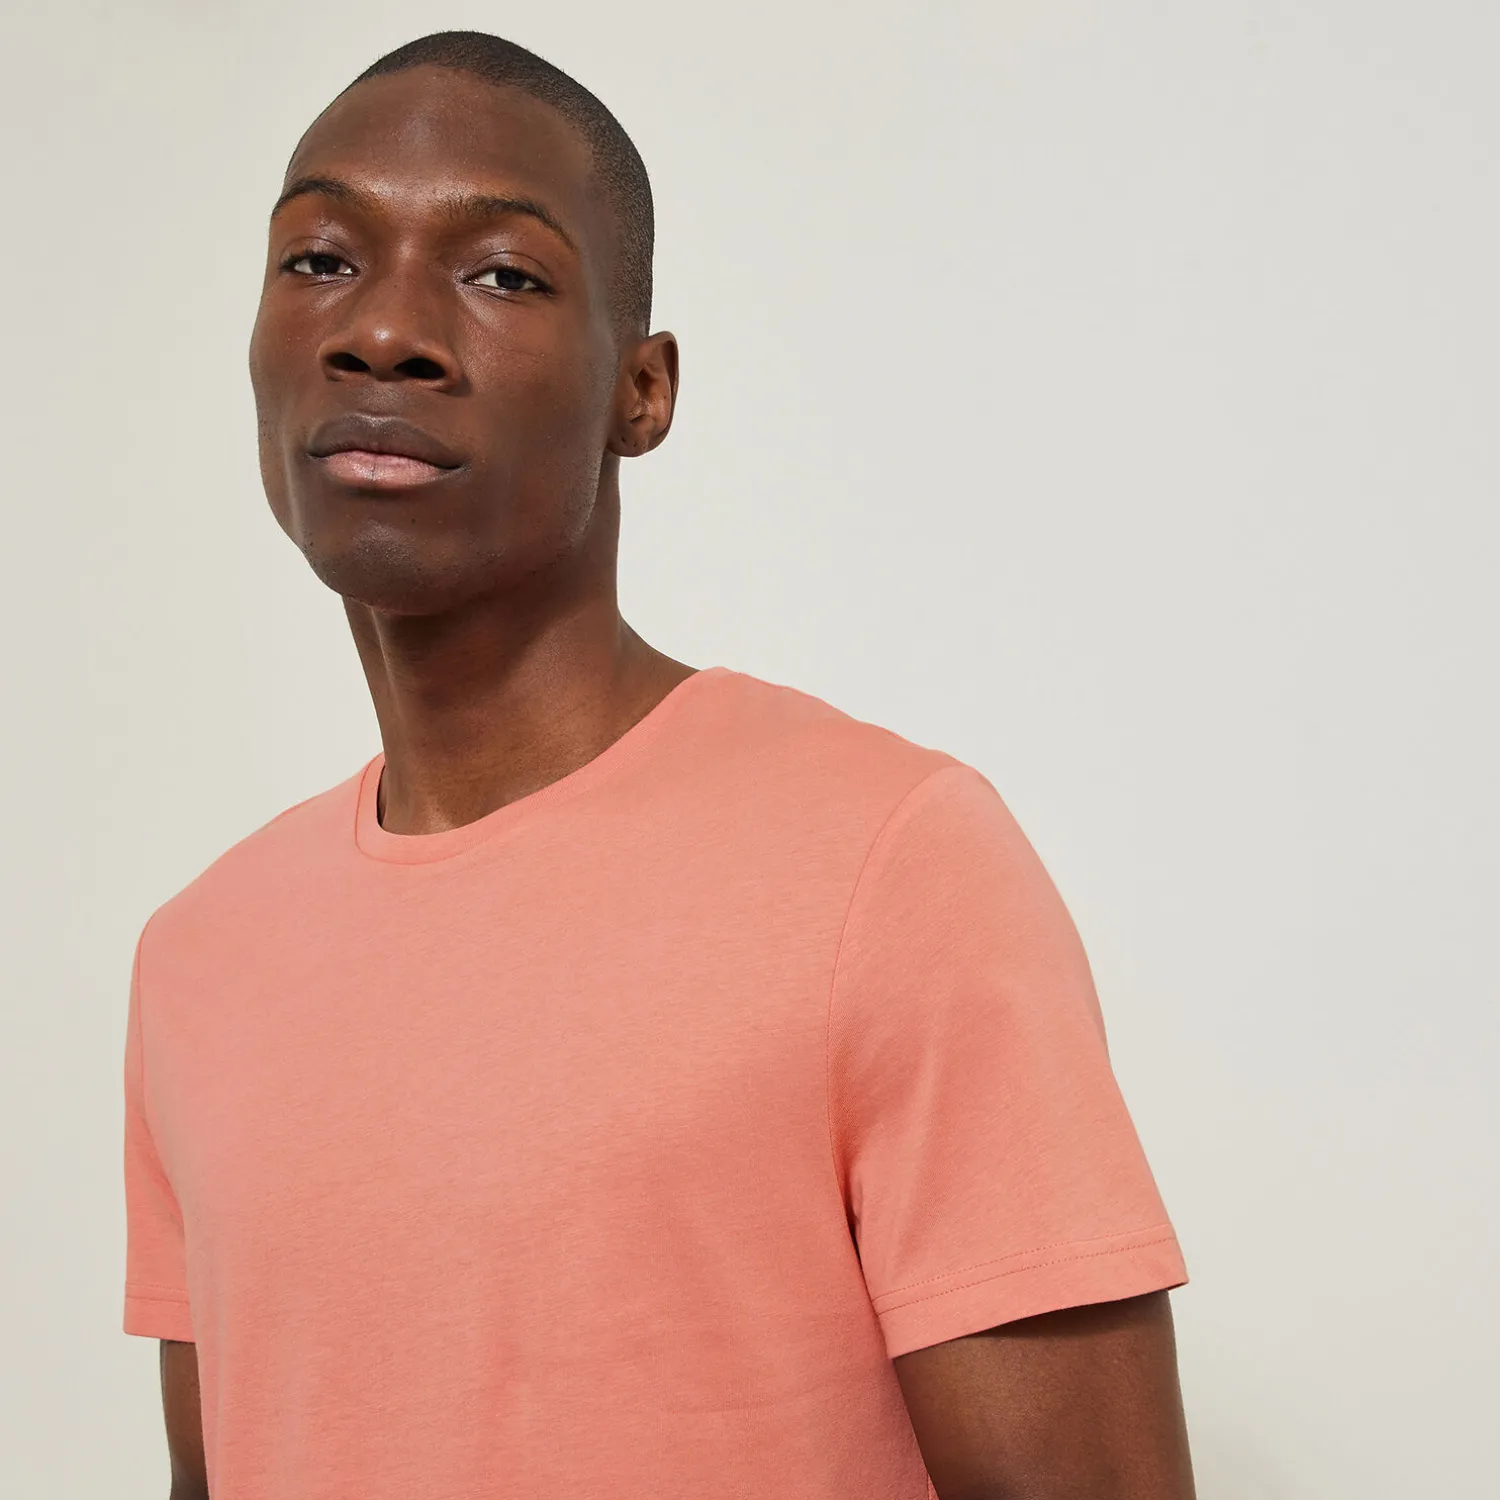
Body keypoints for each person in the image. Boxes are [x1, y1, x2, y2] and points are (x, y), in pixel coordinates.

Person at [121, 29, 1195, 1500]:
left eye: (504, 274)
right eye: (321, 258)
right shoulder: (199, 959)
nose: (385, 332)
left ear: (643, 390)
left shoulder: (890, 863)